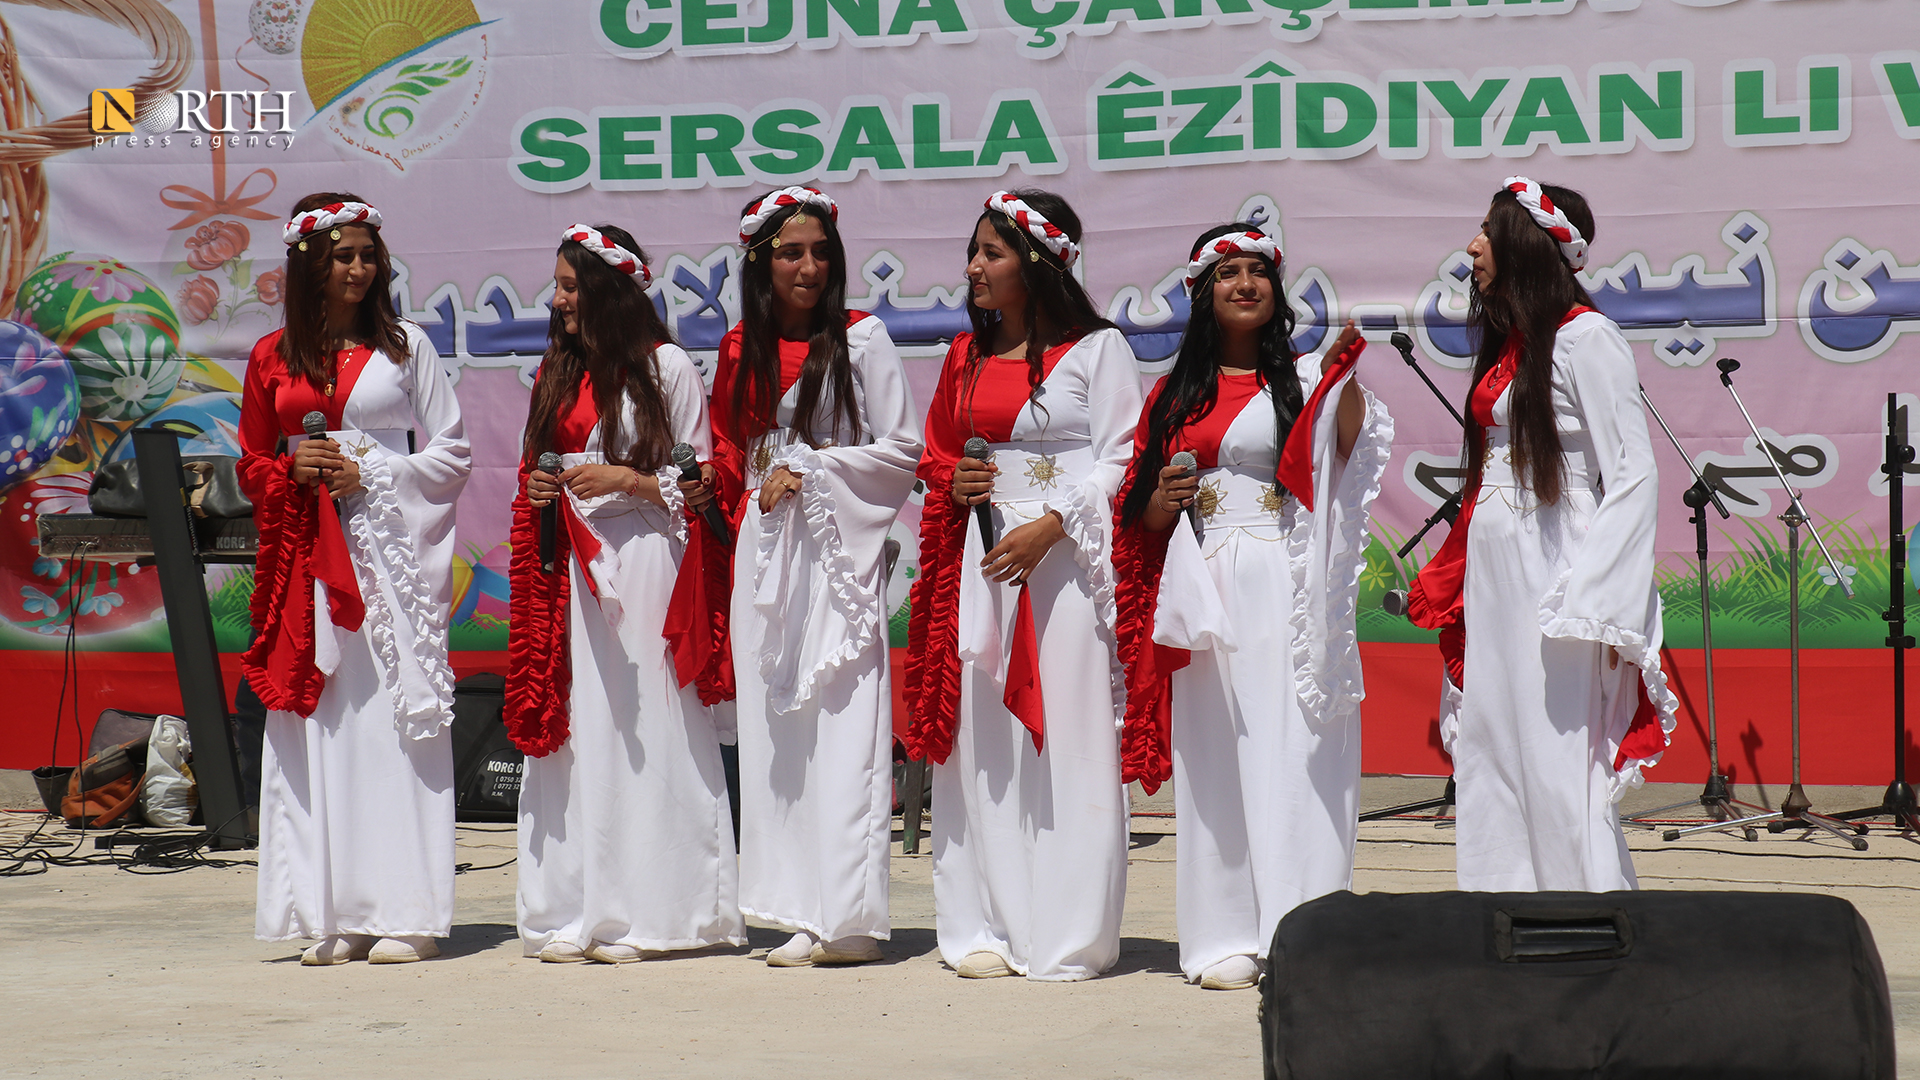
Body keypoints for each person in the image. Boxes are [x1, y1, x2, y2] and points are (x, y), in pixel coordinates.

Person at [1113, 225, 1391, 990]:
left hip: (1282, 573)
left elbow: (1347, 454)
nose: (1246, 284)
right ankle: (1224, 933)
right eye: (1228, 273)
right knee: (1214, 753)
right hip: (1202, 582)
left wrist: (1341, 381)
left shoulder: (1299, 377)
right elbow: (1135, 515)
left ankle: (1304, 931)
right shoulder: (1173, 394)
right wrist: (1157, 507)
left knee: (1294, 745)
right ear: (1203, 293)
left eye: (1258, 272)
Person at [1406, 177, 1676, 892]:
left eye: (1488, 233)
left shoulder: (1588, 339)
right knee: (1495, 740)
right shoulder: (1512, 346)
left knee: (1558, 750)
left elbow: (1633, 473)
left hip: (1557, 570)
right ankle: (1503, 904)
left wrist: (1594, 599)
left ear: (1528, 245)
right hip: (1497, 570)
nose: (1472, 246)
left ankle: (1585, 915)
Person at [905, 189, 1144, 982]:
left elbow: (1121, 457)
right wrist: (958, 479)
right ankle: (987, 927)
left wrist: (1055, 523)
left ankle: (1071, 935)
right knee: (984, 739)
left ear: (1038, 264)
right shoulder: (962, 357)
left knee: (1070, 735)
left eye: (991, 253)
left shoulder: (1098, 349)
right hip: (983, 561)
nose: (973, 267)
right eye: (973, 252)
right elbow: (935, 454)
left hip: (1064, 564)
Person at [238, 194, 471, 964]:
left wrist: (373, 469)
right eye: (344, 256)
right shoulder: (271, 356)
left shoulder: (406, 348)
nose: (360, 269)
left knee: (391, 717)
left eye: (369, 255)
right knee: (321, 717)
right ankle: (330, 911)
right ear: (309, 263)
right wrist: (288, 465)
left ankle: (405, 912)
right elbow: (252, 462)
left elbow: (452, 453)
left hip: (387, 558)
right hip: (306, 556)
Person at [505, 224, 744, 963]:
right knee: (586, 729)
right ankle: (582, 907)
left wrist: (627, 480)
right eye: (559, 287)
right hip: (570, 568)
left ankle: (661, 912)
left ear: (609, 291)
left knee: (646, 727)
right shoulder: (558, 370)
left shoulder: (666, 365)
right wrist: (544, 484)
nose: (559, 301)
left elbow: (702, 483)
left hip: (643, 561)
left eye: (571, 288)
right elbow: (530, 465)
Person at [710, 187, 923, 968]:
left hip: (837, 554)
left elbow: (903, 451)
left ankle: (852, 918)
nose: (808, 266)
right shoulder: (739, 346)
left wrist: (811, 467)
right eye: (791, 252)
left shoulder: (863, 340)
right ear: (762, 262)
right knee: (778, 733)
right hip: (765, 551)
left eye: (821, 251)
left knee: (843, 725)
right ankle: (799, 910)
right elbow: (734, 455)